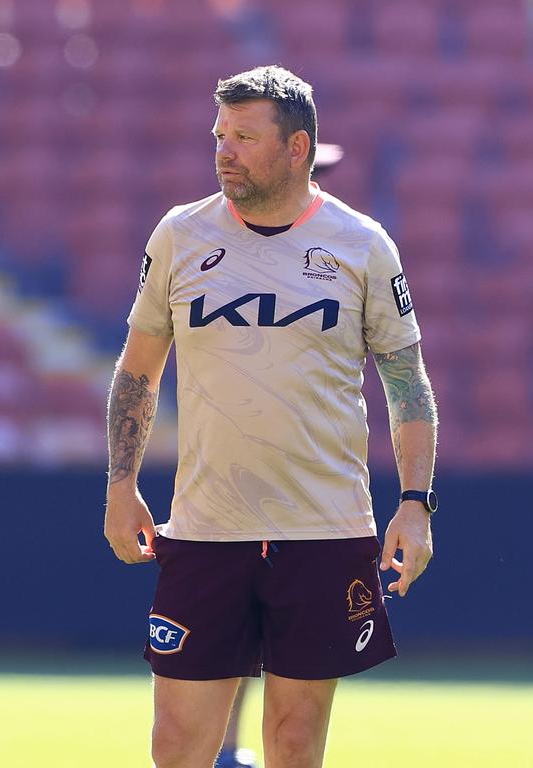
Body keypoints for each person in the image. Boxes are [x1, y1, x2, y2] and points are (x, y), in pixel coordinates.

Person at [104, 66, 438, 768]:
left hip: (324, 529)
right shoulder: (180, 234)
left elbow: (407, 383)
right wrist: (120, 483)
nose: (223, 150)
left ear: (298, 148)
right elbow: (138, 369)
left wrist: (415, 503)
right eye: (220, 134)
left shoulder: (363, 245)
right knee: (176, 745)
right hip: (203, 529)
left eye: (245, 137)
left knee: (292, 742)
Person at [212, 139, 344, 768]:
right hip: (237, 479)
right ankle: (228, 748)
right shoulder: (222, 245)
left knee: (293, 679)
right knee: (239, 641)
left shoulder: (350, 247)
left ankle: (239, 749)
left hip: (312, 489)